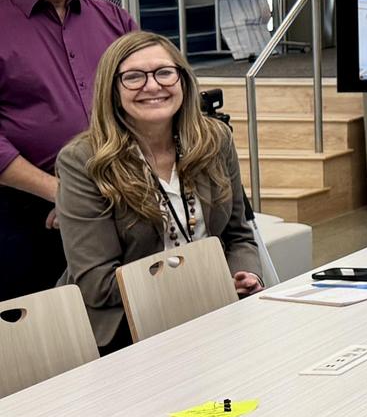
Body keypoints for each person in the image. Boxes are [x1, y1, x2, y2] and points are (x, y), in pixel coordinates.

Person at [55, 31, 262, 350]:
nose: (152, 86)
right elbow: (98, 283)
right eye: (133, 77)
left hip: (215, 311)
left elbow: (238, 236)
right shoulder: (83, 161)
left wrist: (244, 273)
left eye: (164, 72)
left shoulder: (215, 139)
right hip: (127, 332)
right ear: (112, 90)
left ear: (183, 80)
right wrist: (206, 283)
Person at [0, 0, 139, 302]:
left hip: (121, 205)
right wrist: (61, 192)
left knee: (127, 323)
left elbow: (150, 103)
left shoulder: (114, 19)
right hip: (28, 219)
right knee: (42, 331)